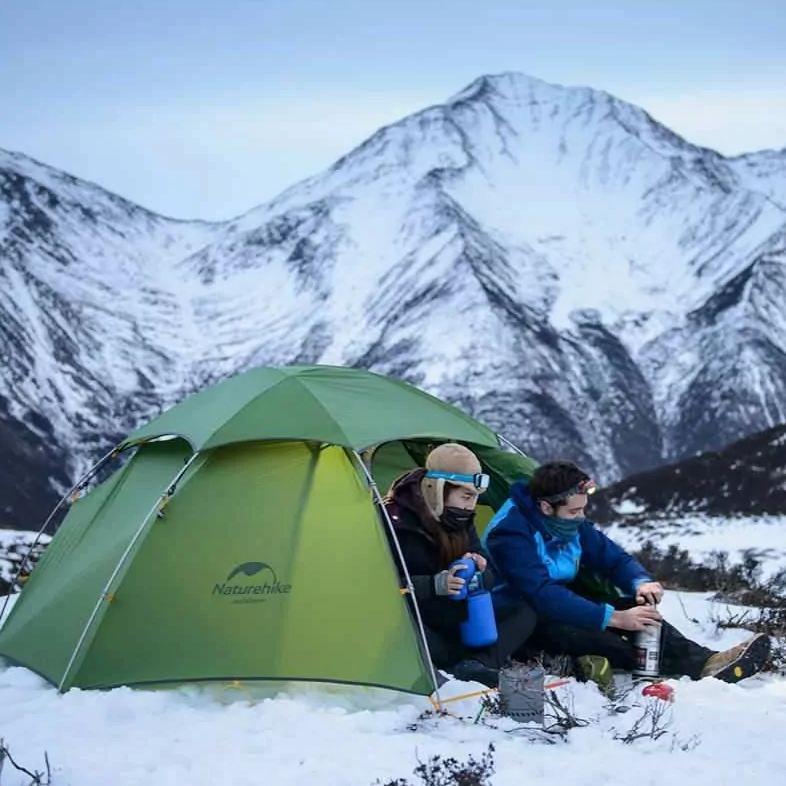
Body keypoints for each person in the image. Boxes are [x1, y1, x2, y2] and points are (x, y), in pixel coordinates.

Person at [484, 460, 770, 683]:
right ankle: (585, 661)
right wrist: (616, 618)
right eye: (574, 512)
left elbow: (611, 557)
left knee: (638, 611)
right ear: (546, 506)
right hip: (521, 619)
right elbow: (540, 593)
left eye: (583, 510)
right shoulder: (509, 532)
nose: (581, 518)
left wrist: (640, 582)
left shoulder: (567, 523)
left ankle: (706, 662)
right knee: (614, 643)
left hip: (561, 605)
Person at [384, 443, 537, 687]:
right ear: (437, 490)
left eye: (475, 498)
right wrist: (436, 585)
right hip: (421, 622)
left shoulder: (460, 519)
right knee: (408, 631)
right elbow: (383, 589)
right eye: (466, 496)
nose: (471, 505)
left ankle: (476, 665)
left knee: (524, 610)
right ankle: (462, 664)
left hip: (461, 618)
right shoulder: (395, 522)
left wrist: (479, 570)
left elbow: (489, 575)